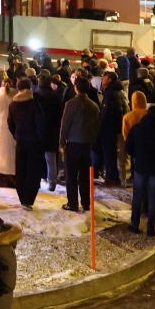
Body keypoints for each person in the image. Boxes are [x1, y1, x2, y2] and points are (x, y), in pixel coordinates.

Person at [125, 104, 155, 234]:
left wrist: (137, 156)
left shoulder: (136, 129)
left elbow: (128, 148)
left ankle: (135, 225)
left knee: (137, 197)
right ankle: (151, 228)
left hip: (140, 167)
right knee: (153, 198)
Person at [58, 77, 100, 213]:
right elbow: (96, 126)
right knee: (84, 175)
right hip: (87, 144)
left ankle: (73, 203)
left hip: (73, 143)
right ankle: (86, 202)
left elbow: (65, 125)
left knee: (71, 175)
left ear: (76, 88)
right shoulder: (93, 105)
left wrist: (61, 142)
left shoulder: (71, 104)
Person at [7, 79, 46, 208]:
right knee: (32, 170)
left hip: (21, 141)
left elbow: (10, 124)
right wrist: (41, 140)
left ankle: (22, 196)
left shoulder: (13, 104)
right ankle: (29, 199)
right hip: (34, 142)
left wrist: (16, 134)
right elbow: (40, 124)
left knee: (21, 169)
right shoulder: (34, 104)